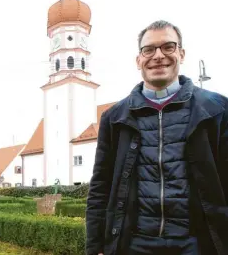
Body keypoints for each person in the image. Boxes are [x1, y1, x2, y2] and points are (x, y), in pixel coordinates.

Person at [85, 20, 228, 255]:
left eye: (168, 47)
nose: (158, 56)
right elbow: (101, 186)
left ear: (181, 53)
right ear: (138, 60)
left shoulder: (216, 109)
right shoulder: (115, 118)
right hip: (134, 244)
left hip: (196, 244)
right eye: (149, 49)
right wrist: (95, 247)